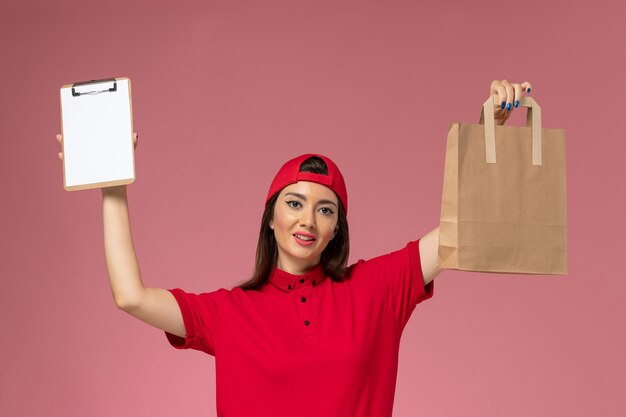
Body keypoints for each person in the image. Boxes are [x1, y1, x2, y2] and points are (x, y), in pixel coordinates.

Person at [56, 79, 532, 417]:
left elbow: (460, 230)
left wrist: (487, 131)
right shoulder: (229, 313)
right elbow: (130, 296)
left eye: (326, 210)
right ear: (270, 217)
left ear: (336, 231)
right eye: (295, 202)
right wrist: (112, 186)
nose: (308, 218)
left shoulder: (377, 289)